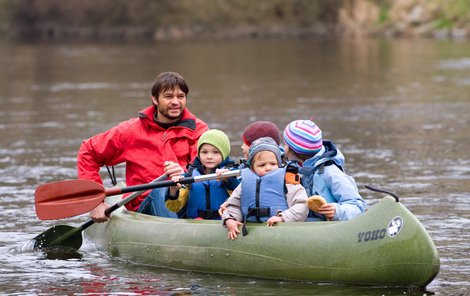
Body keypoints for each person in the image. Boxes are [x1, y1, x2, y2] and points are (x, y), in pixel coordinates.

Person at [77, 71, 208, 222]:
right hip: (144, 207)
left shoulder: (199, 131)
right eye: (168, 96)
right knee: (160, 188)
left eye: (180, 96)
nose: (175, 102)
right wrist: (95, 201)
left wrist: (185, 174)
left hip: (188, 202)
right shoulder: (131, 131)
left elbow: (208, 168)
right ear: (155, 99)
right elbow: (88, 151)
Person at [221, 137, 308, 240]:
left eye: (273, 164)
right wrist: (229, 219)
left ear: (279, 164)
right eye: (262, 165)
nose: (268, 168)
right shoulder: (245, 184)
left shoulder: (288, 183)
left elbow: (302, 205)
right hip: (251, 232)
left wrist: (283, 217)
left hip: (281, 232)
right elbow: (234, 206)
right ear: (252, 168)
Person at [282, 119, 366, 221]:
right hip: (302, 224)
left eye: (285, 144)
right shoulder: (291, 167)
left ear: (292, 149)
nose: (283, 147)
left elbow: (358, 205)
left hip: (330, 226)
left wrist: (337, 211)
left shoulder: (330, 172)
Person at [165, 129, 240, 219]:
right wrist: (173, 190)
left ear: (224, 154)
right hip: (195, 223)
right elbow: (174, 207)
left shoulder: (233, 173)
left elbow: (243, 198)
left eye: (215, 152)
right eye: (204, 152)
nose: (209, 157)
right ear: (199, 154)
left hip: (224, 222)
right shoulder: (190, 175)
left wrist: (228, 180)